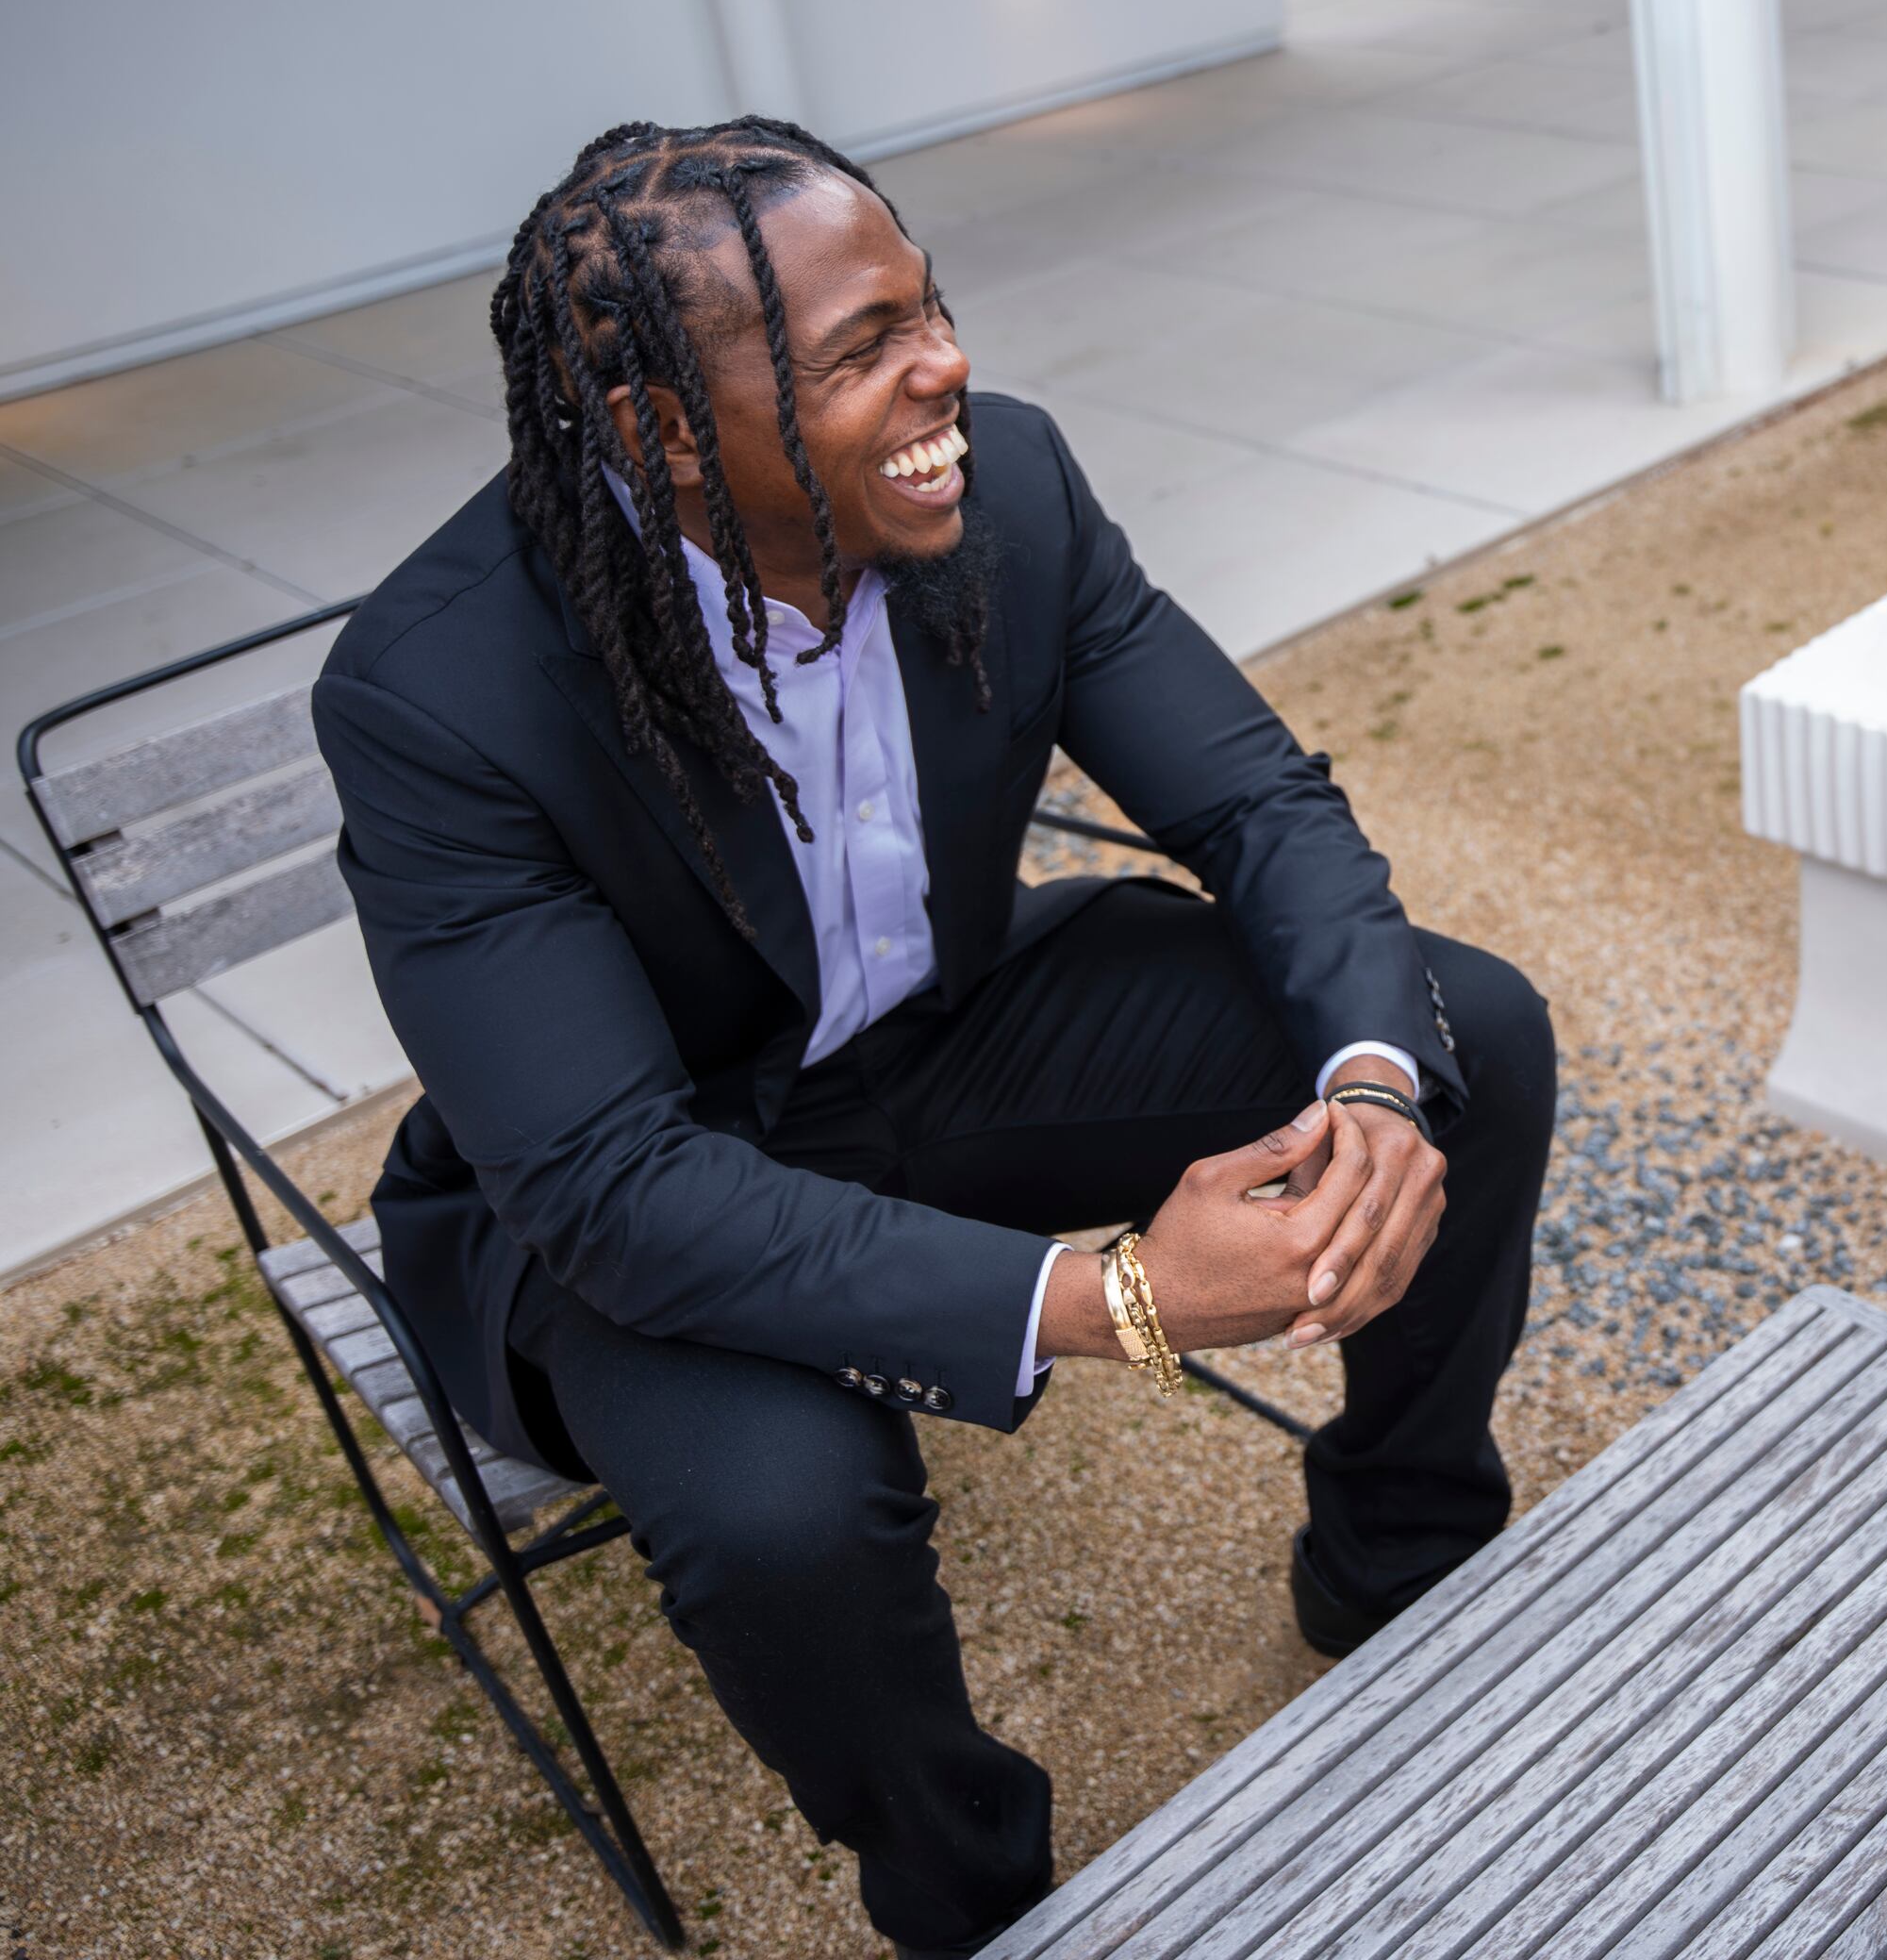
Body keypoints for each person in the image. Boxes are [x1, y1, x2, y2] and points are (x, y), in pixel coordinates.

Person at [316, 117, 1555, 1957]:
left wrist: (1368, 1084)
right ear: (664, 431)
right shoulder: (443, 695)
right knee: (786, 1506)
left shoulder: (1011, 486)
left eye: (934, 303)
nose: (946, 366)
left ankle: (1402, 1549)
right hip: (649, 1168)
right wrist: (1120, 1290)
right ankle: (971, 1889)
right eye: (862, 346)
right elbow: (609, 1182)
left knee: (1480, 1030)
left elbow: (1258, 807)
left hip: (955, 1037)